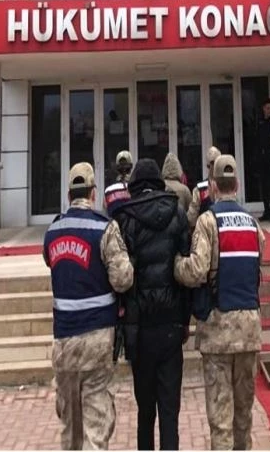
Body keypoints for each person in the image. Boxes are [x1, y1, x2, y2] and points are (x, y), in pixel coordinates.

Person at [174, 155, 264, 450]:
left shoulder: (207, 222)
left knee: (220, 418)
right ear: (237, 184)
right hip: (249, 331)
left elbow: (197, 271)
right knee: (244, 415)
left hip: (218, 332)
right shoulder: (253, 224)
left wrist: (176, 265)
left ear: (213, 185)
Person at [43, 162, 134, 450]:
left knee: (70, 426)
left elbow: (51, 262)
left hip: (63, 341)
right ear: (93, 193)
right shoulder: (104, 228)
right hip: (97, 338)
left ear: (69, 194)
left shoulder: (53, 231)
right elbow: (123, 279)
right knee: (96, 427)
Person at [107, 158, 192, 451]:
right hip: (171, 324)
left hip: (139, 328)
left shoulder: (124, 218)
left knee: (145, 411)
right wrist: (185, 320)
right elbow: (185, 270)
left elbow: (120, 276)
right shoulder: (177, 213)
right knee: (170, 411)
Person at [187, 146, 221, 230]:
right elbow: (191, 218)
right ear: (208, 165)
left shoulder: (227, 185)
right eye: (213, 162)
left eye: (218, 162)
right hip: (207, 231)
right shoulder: (199, 189)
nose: (215, 165)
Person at [257, 98, 270, 222]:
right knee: (264, 185)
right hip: (261, 156)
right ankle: (267, 211)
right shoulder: (259, 121)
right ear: (263, 108)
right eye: (268, 108)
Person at [103, 150, 133, 216]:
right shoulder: (136, 187)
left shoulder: (109, 190)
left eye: (125, 164)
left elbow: (106, 211)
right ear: (131, 166)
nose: (124, 168)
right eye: (122, 164)